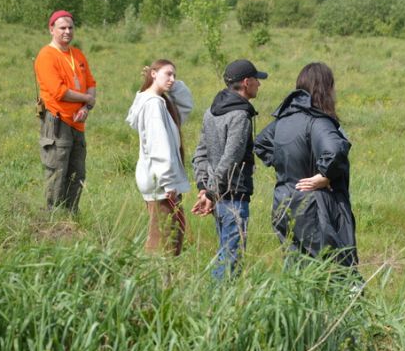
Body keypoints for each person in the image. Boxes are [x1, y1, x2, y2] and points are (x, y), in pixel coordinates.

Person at [254, 62, 359, 271]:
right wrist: (325, 176)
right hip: (315, 205)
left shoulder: (283, 121)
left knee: (297, 267)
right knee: (335, 266)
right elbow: (336, 149)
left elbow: (261, 142)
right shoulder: (319, 121)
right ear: (325, 88)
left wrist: (286, 166)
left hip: (284, 200)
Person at [191, 59, 266, 279]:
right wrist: (210, 191)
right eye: (256, 80)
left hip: (216, 196)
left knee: (225, 252)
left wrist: (204, 187)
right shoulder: (241, 116)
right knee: (231, 259)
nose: (259, 85)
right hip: (233, 197)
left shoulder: (211, 111)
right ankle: (217, 306)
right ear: (246, 82)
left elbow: (200, 154)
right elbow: (231, 158)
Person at [125, 59, 193, 255]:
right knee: (166, 235)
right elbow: (158, 145)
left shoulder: (156, 100)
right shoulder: (154, 105)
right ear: (153, 74)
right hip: (161, 183)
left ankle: (160, 277)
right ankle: (157, 278)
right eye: (168, 74)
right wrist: (168, 181)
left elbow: (186, 105)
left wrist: (171, 84)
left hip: (157, 180)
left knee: (166, 230)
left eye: (175, 75)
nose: (172, 79)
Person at [34, 10, 96, 214]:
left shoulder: (77, 54)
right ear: (51, 29)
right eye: (62, 27)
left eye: (70, 27)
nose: (67, 31)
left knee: (77, 172)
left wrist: (86, 107)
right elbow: (59, 92)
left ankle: (71, 218)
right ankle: (53, 219)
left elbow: (91, 84)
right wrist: (86, 99)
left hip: (78, 121)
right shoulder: (46, 55)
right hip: (57, 121)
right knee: (57, 171)